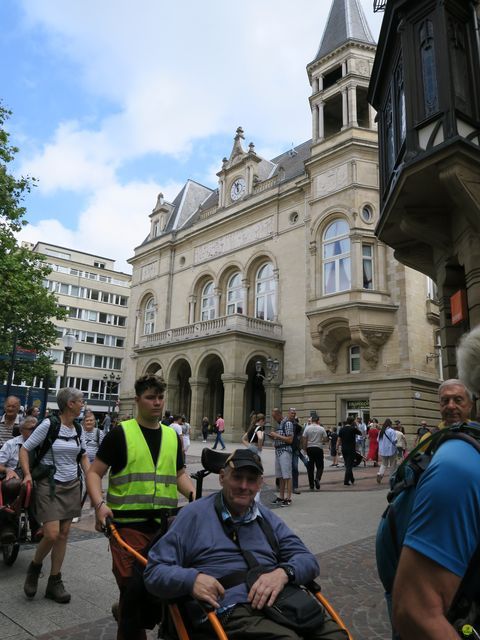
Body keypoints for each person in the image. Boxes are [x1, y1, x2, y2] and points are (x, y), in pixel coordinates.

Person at [144, 448, 348, 639]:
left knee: (337, 636)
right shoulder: (193, 516)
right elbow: (154, 571)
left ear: (259, 484)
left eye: (251, 480)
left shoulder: (267, 518)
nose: (244, 486)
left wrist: (283, 573)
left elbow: (308, 560)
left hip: (279, 599)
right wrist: (192, 580)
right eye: (237, 477)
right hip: (229, 607)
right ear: (222, 478)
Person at [86, 374, 196, 640]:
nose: (157, 403)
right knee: (133, 586)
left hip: (165, 526)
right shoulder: (120, 434)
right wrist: (99, 505)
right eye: (150, 397)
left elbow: (179, 473)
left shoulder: (172, 436)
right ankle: (129, 620)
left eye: (160, 397)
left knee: (164, 587)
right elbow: (94, 473)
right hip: (126, 527)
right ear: (137, 400)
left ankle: (128, 611)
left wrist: (194, 494)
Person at [391, 369, 477, 638]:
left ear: (471, 404)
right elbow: (416, 612)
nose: (450, 406)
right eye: (445, 401)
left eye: (458, 400)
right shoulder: (444, 450)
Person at [19, 387, 89, 604]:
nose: (83, 404)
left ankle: (54, 581)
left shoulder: (78, 428)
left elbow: (84, 456)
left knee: (64, 533)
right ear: (70, 404)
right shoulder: (49, 424)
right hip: (48, 484)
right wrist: (28, 475)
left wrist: (92, 480)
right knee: (51, 533)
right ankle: (35, 566)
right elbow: (25, 448)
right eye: (80, 401)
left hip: (72, 485)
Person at [0, 416, 40, 543]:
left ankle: (36, 529)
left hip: (35, 476)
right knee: (13, 485)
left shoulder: (42, 445)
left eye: (37, 428)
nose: (35, 431)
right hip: (14, 476)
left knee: (37, 486)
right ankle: (8, 527)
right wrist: (7, 470)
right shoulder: (11, 444)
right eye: (31, 429)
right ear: (22, 430)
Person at [270, 408, 294, 506]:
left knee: (287, 475)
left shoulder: (287, 424)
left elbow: (290, 440)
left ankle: (288, 498)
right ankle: (281, 497)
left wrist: (276, 435)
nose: (274, 419)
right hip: (278, 451)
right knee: (280, 476)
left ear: (279, 415)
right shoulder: (280, 424)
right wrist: (274, 437)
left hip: (285, 451)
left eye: (274, 417)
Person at [302, 414, 328, 491]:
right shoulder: (321, 428)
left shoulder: (307, 428)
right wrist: (321, 441)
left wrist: (304, 449)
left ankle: (311, 485)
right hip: (318, 448)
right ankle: (317, 478)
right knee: (320, 466)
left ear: (312, 420)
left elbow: (304, 439)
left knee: (310, 468)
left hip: (310, 449)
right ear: (318, 420)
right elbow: (326, 439)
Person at [337, 417, 361, 486]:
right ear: (352, 422)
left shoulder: (342, 429)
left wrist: (337, 448)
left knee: (347, 464)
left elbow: (339, 440)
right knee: (349, 465)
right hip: (351, 449)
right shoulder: (353, 429)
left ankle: (352, 478)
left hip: (344, 449)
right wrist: (356, 425)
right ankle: (346, 481)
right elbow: (360, 433)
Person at [376, 419, 397, 484]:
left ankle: (380, 473)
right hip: (391, 450)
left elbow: (377, 440)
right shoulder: (392, 431)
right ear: (390, 424)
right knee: (392, 464)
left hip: (383, 450)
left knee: (384, 463)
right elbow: (394, 440)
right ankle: (391, 478)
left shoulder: (381, 431)